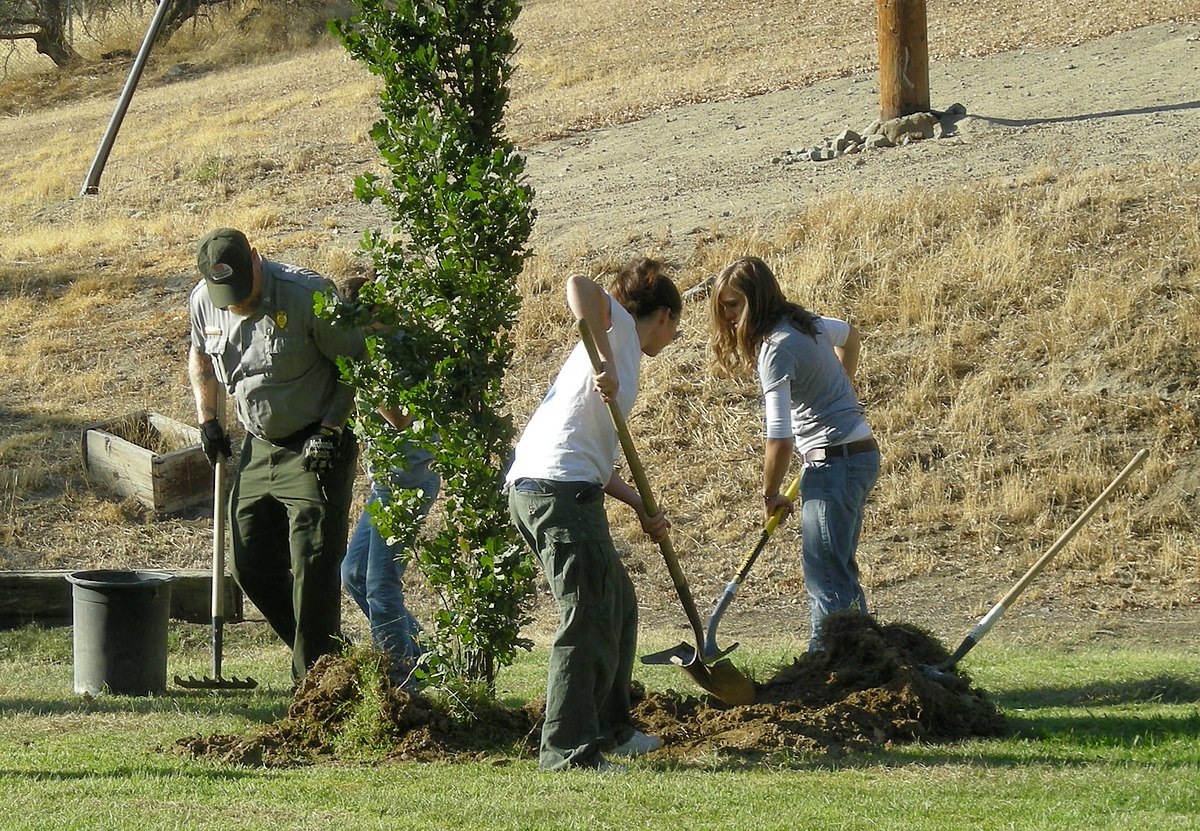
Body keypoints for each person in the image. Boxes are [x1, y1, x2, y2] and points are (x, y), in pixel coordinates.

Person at [505, 258, 681, 772]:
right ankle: (566, 751)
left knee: (617, 603)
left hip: (563, 484)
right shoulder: (619, 328)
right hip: (555, 491)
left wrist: (641, 507)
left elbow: (594, 459)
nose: (673, 339)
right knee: (583, 616)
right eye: (677, 329)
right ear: (664, 315)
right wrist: (603, 356)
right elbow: (576, 283)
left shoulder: (623, 357)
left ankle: (612, 728)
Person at [187, 227, 366, 683]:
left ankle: (316, 683)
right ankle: (332, 662)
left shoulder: (309, 295)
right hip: (257, 445)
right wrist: (208, 418)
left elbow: (356, 365)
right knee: (249, 563)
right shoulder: (205, 300)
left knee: (313, 561)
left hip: (315, 442)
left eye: (242, 292)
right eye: (226, 296)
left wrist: (331, 428)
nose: (236, 304)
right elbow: (202, 358)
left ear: (257, 260)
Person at [709, 255, 880, 652]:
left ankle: (834, 666)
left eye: (734, 305)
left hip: (835, 460)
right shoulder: (807, 323)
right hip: (856, 453)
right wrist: (840, 390)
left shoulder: (775, 349)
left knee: (827, 576)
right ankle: (858, 660)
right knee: (837, 570)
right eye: (723, 308)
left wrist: (770, 495)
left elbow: (780, 437)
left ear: (758, 299)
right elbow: (851, 337)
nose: (730, 317)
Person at [338, 275, 440, 689]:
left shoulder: (398, 347)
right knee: (352, 574)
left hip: (409, 479)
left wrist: (358, 368)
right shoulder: (376, 347)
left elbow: (400, 417)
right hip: (388, 481)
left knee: (381, 582)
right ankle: (420, 654)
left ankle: (400, 681)